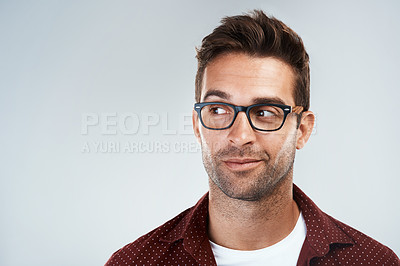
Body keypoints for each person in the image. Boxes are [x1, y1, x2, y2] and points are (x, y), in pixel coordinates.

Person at [105, 10, 399, 265]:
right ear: (198, 125)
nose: (240, 135)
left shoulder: (374, 262)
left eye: (265, 112)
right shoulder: (133, 262)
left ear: (302, 130)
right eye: (218, 109)